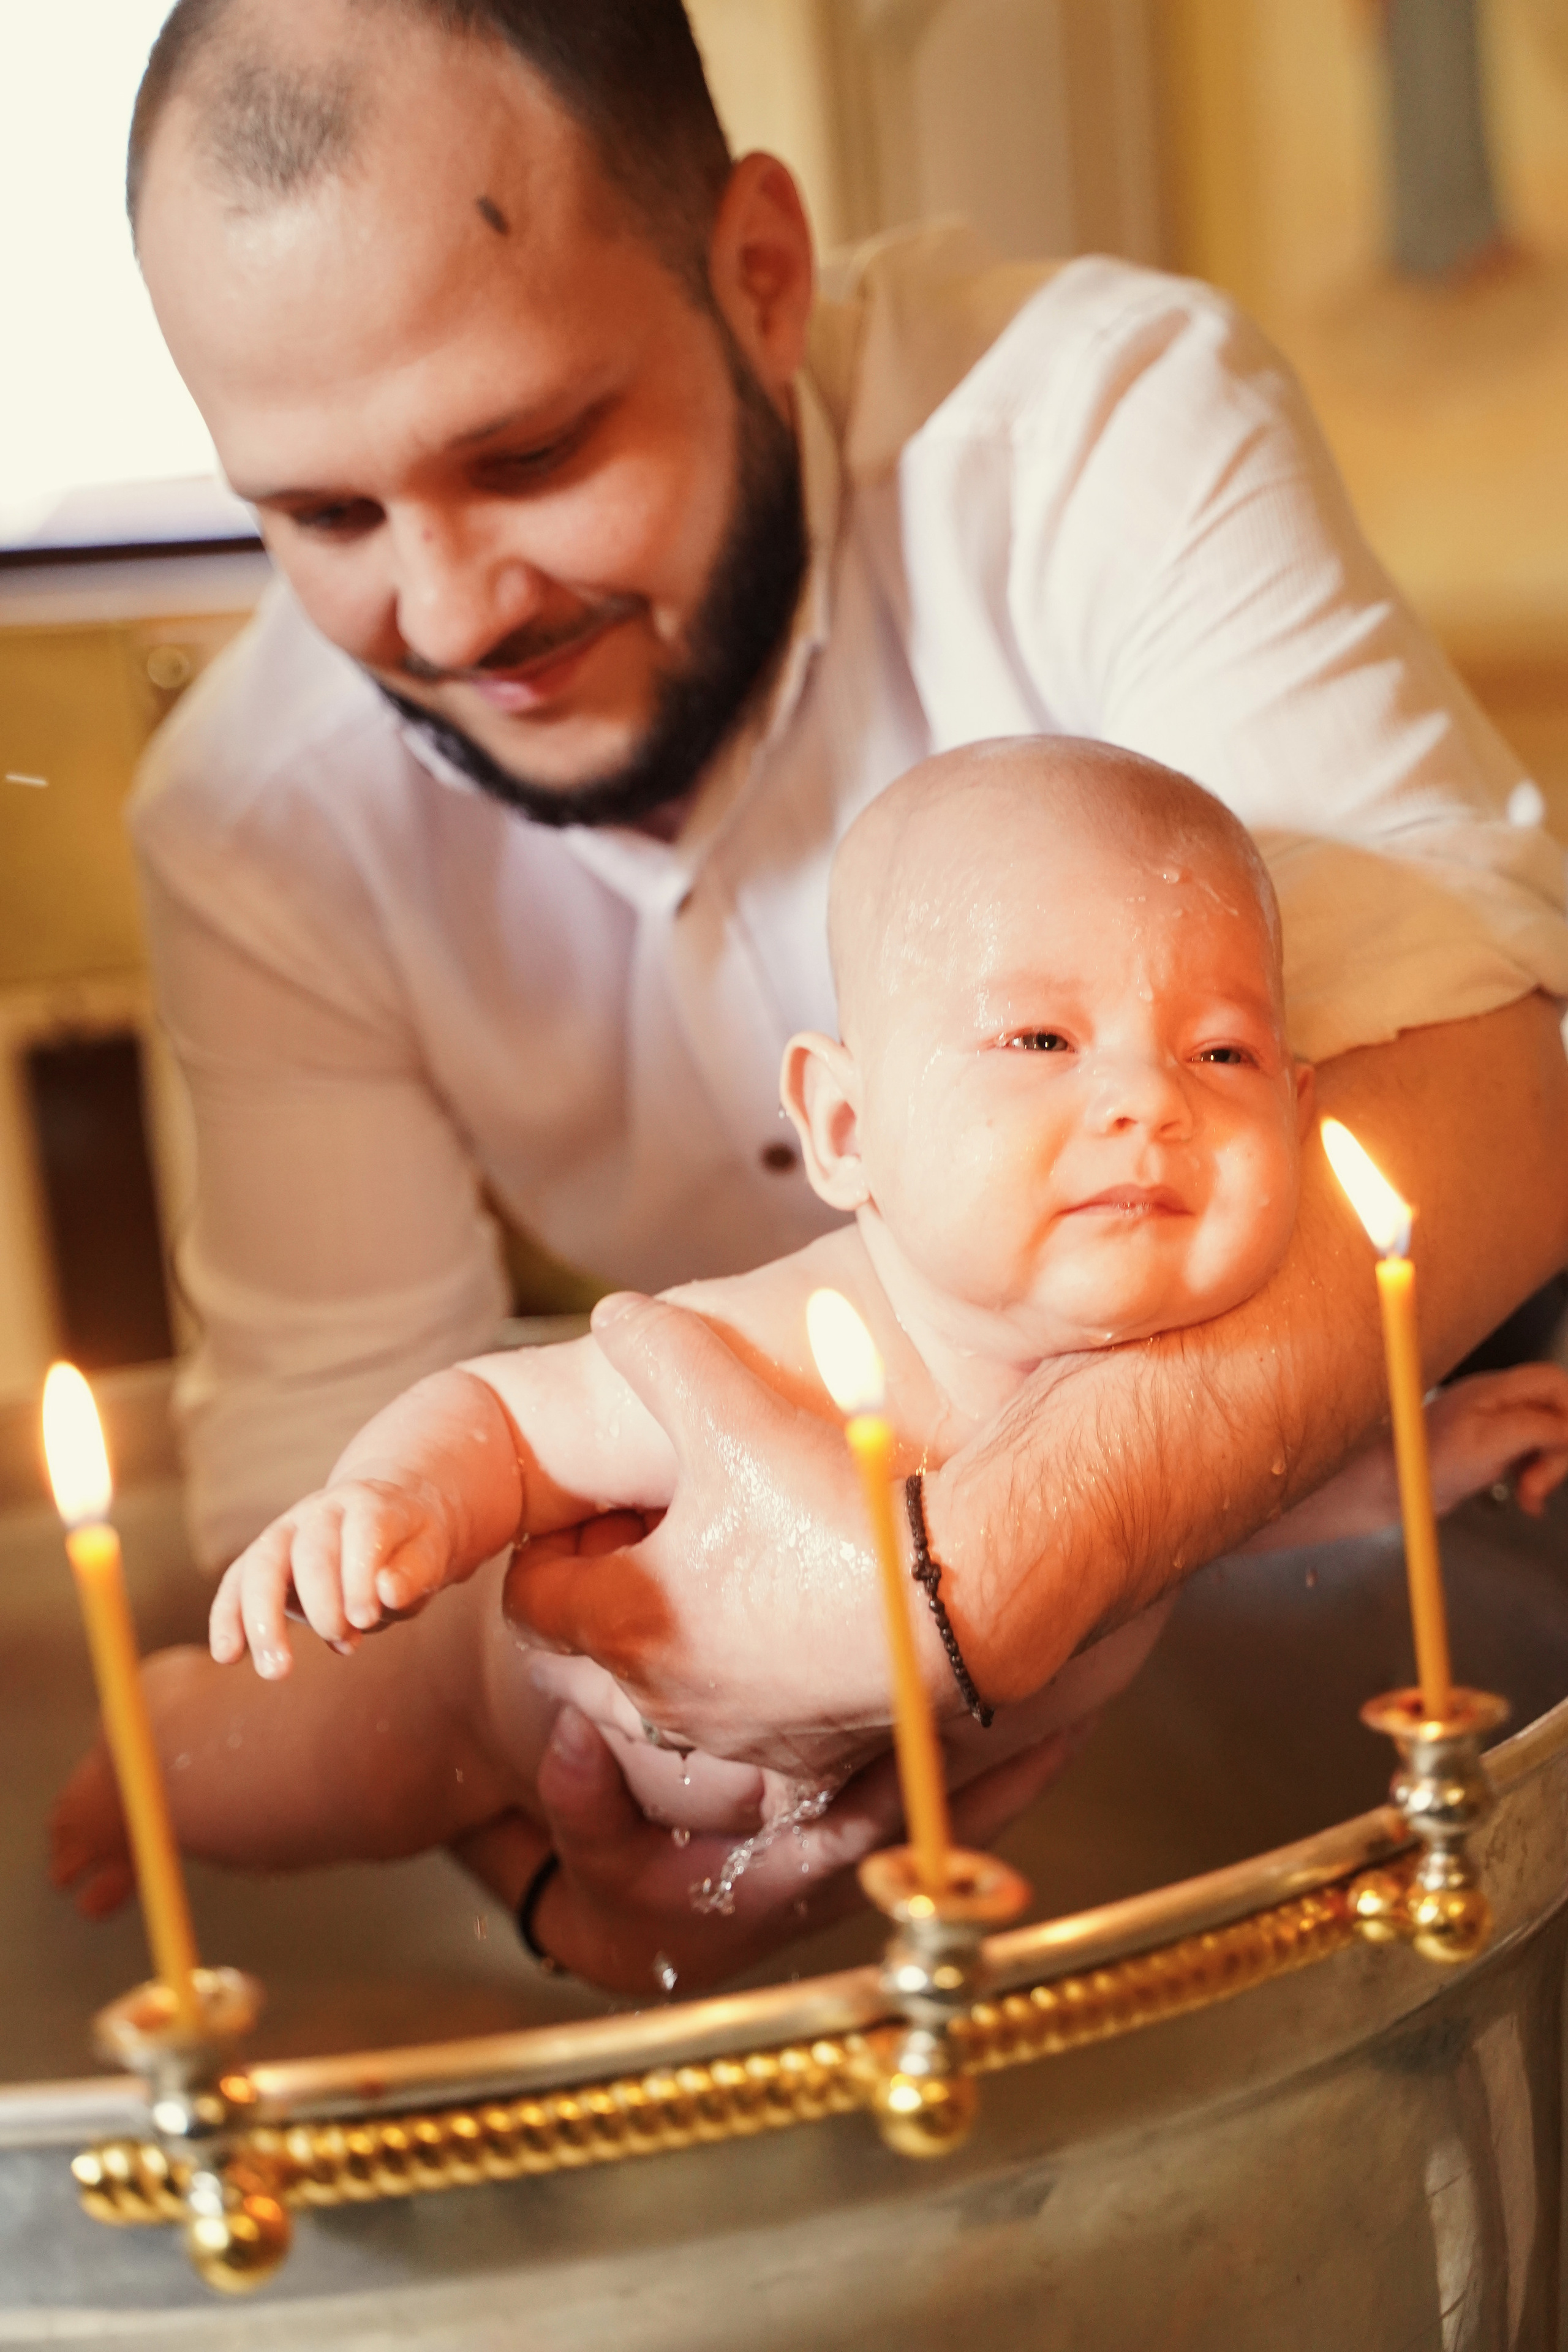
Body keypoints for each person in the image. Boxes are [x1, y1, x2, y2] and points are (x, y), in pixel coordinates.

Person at [120, 0, 1568, 1983]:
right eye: (324, 516)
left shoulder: (1085, 428)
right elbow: (335, 1498)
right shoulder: (255, 820)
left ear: (762, 278)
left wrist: (965, 1586)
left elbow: (1498, 1068)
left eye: (531, 451)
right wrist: (580, 1863)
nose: (452, 614)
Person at [54, 745, 1568, 1988]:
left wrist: (1421, 1456)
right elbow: (510, 1411)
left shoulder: (1191, 1393)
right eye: (1041, 1041)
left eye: (1221, 1055)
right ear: (843, 1130)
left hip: (796, 1854)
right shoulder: (774, 1345)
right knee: (296, 1782)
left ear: (1299, 1115)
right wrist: (390, 1501)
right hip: (463, 1707)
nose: (1144, 1104)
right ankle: (149, 1748)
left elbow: (1253, 1506)